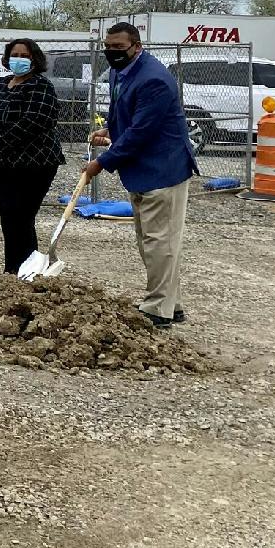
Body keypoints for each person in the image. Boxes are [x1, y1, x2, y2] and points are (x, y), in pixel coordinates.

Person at [83, 22, 197, 328]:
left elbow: (141, 133)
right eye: (108, 47)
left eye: (119, 48)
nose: (112, 53)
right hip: (142, 170)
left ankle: (158, 309)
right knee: (150, 240)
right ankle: (169, 303)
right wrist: (110, 129)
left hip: (163, 169)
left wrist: (101, 163)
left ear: (137, 46)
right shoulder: (123, 72)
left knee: (160, 242)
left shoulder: (154, 80)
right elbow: (129, 117)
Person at [0, 39, 65, 274]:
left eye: (24, 55)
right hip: (2, 163)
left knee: (21, 218)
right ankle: (11, 270)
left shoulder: (40, 86)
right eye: (14, 54)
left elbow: (33, 122)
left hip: (34, 163)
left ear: (34, 59)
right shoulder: (4, 83)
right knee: (8, 218)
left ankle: (26, 270)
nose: (19, 59)